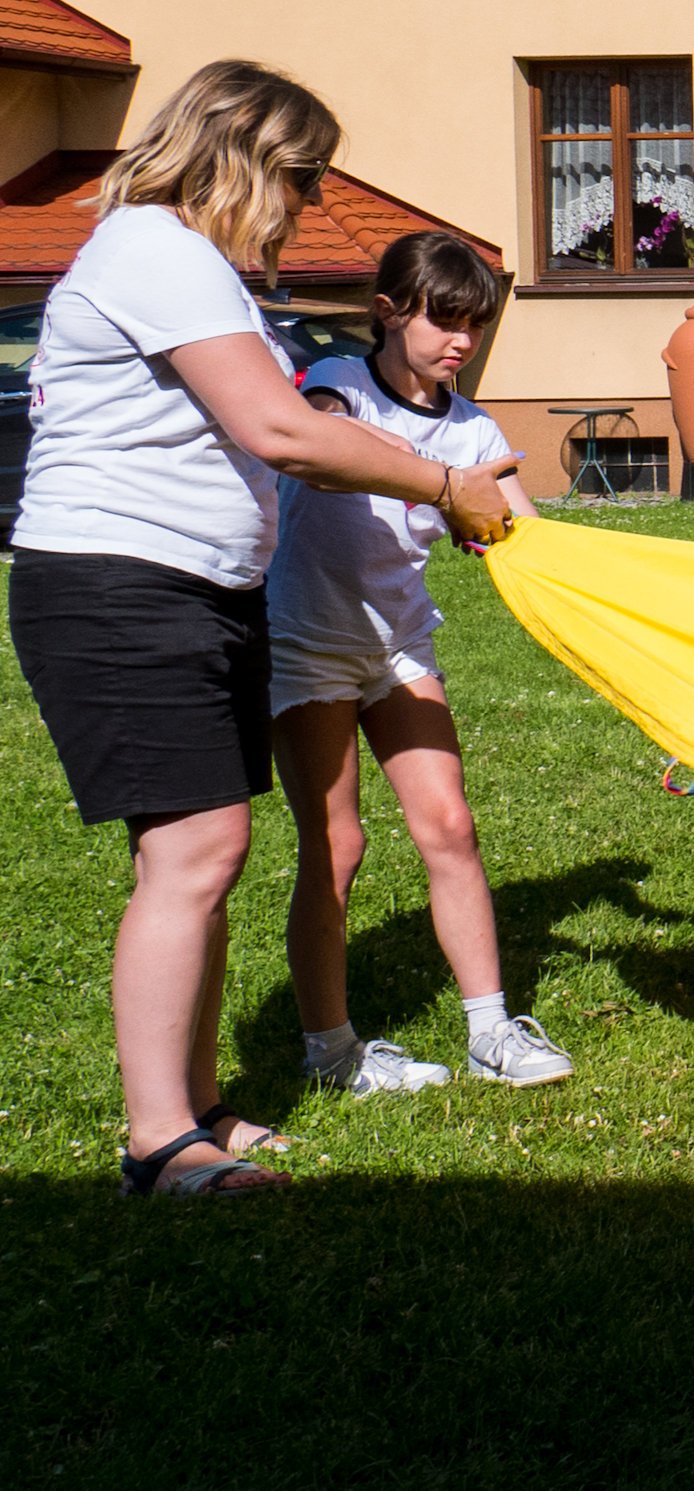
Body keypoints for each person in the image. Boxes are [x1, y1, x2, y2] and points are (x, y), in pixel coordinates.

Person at [6, 62, 512, 1197]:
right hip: (119, 585)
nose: (302, 207)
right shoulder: (156, 250)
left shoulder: (191, 266)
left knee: (197, 856)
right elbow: (280, 429)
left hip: (193, 591)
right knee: (196, 853)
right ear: (241, 154)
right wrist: (441, 482)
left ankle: (198, 1109)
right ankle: (157, 1142)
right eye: (300, 177)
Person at [268, 230, 567, 1095]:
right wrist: (444, 484)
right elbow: (321, 460)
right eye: (443, 319)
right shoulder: (340, 389)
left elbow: (525, 526)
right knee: (337, 844)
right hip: (307, 640)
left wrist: (523, 540)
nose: (460, 340)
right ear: (388, 312)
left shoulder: (475, 426)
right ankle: (330, 1051)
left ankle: (490, 1031)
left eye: (474, 322)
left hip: (399, 643)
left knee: (451, 824)